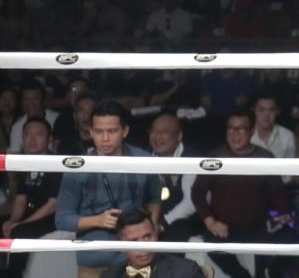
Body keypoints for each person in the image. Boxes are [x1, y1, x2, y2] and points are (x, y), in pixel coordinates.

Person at [55, 101, 163, 278]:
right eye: (99, 132)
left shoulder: (144, 160)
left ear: (125, 131)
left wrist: (151, 230)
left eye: (112, 131)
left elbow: (154, 198)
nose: (105, 138)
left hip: (135, 257)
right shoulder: (77, 168)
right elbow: (62, 219)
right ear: (90, 132)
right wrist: (98, 220)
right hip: (94, 259)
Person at [191, 109, 297, 278]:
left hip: (258, 227)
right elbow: (197, 193)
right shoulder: (216, 156)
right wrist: (211, 223)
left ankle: (270, 272)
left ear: (251, 131)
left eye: (240, 129)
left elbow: (277, 193)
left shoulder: (265, 157)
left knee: (293, 241)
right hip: (224, 228)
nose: (235, 134)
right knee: (211, 244)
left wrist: (282, 214)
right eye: (231, 128)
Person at [2, 118, 63, 278]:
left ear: (49, 139)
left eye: (39, 135)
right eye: (27, 134)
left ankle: (14, 275)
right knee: (6, 224)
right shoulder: (24, 161)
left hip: (52, 217)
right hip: (30, 213)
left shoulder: (57, 164)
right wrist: (13, 220)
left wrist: (20, 223)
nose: (32, 140)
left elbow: (53, 204)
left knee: (21, 231)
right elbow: (21, 199)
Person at [98, 208, 205, 278]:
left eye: (147, 237)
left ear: (156, 235)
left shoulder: (186, 271)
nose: (143, 248)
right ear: (121, 245)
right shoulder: (110, 275)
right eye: (134, 241)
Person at [148, 113, 198, 242]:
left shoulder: (191, 158)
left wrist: (162, 224)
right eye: (154, 131)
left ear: (179, 136)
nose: (157, 136)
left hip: (179, 222)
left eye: (164, 132)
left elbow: (191, 203)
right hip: (149, 220)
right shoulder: (143, 156)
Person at [8, 81, 58, 154]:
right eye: (25, 99)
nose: (30, 103)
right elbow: (15, 154)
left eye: (35, 98)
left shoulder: (58, 120)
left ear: (43, 100)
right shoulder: (17, 126)